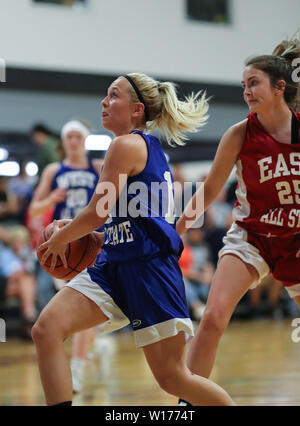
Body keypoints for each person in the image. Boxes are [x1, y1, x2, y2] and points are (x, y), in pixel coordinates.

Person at [32, 73, 235, 406]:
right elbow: (126, 215)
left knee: (174, 378)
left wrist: (62, 239)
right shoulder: (147, 149)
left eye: (113, 95)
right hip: (113, 266)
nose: (104, 102)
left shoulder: (125, 145)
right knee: (46, 329)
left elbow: (98, 210)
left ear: (137, 109)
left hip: (149, 271)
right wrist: (97, 236)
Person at [176, 36, 300, 404]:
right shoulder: (240, 134)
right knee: (213, 317)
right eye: (243, 85)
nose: (246, 91)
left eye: (254, 83)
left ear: (279, 88)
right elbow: (211, 188)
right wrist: (177, 229)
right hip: (252, 236)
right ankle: (189, 402)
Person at [29, 119, 102, 393]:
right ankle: (92, 349)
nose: (72, 141)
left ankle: (78, 369)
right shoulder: (53, 170)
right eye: (68, 136)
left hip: (92, 245)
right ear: (63, 141)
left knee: (86, 306)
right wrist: (50, 200)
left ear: (84, 139)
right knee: (77, 313)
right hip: (64, 248)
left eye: (76, 136)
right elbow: (35, 208)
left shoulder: (97, 168)